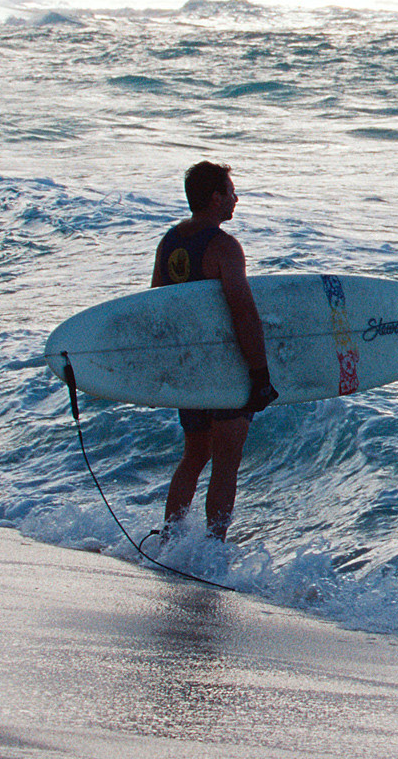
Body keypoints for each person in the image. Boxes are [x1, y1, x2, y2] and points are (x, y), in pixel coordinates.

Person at [152, 161, 278, 540]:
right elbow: (242, 313)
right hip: (225, 368)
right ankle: (213, 552)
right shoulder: (224, 247)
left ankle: (170, 539)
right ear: (214, 197)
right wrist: (259, 374)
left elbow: (156, 306)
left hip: (190, 367)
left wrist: (167, 368)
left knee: (194, 454)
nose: (235, 198)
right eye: (230, 191)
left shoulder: (171, 241)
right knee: (225, 464)